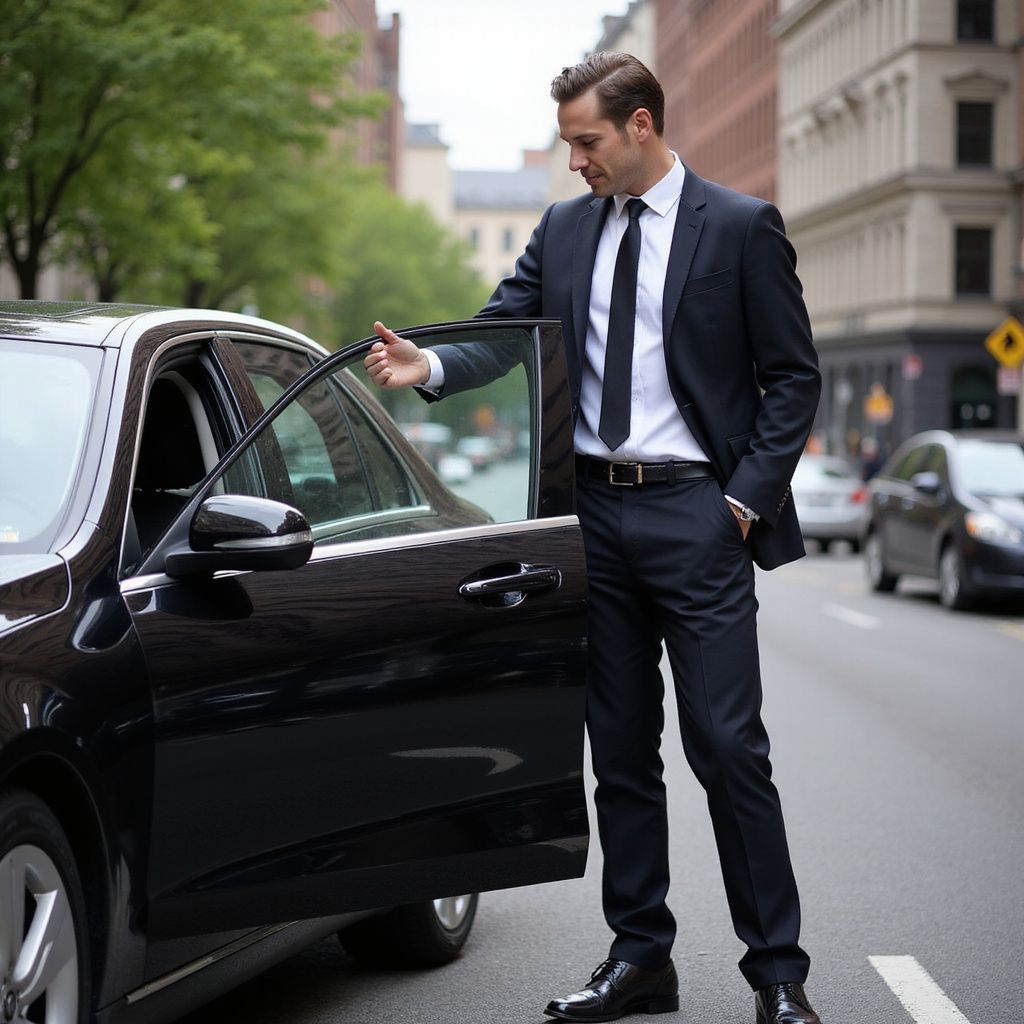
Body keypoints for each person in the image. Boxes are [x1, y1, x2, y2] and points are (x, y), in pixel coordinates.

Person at [364, 52, 823, 1024]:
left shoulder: (738, 228)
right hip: (595, 521)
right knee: (617, 749)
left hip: (696, 515)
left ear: (642, 126)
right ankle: (640, 958)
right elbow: (507, 326)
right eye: (571, 142)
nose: (575, 161)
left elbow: (793, 377)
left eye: (587, 141)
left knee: (728, 747)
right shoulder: (566, 229)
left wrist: (740, 502)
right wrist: (431, 362)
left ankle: (777, 974)